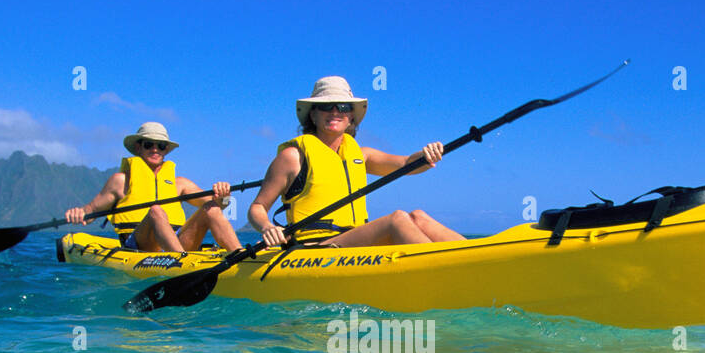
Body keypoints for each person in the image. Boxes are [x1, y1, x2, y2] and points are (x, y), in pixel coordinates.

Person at [248, 77, 465, 249]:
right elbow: (257, 207)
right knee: (396, 219)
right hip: (315, 247)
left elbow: (408, 164)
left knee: (417, 216)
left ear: (351, 117)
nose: (335, 111)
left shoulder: (362, 155)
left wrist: (428, 155)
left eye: (342, 107)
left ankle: (476, 253)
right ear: (313, 115)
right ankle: (443, 269)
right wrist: (267, 227)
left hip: (354, 242)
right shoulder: (293, 156)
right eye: (326, 106)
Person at [65, 122, 240, 252]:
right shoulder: (120, 181)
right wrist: (80, 213)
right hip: (140, 246)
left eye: (161, 146)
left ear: (165, 151)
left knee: (211, 209)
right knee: (156, 210)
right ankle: (180, 265)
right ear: (138, 147)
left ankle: (241, 256)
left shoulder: (180, 184)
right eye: (149, 144)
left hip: (177, 242)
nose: (155, 149)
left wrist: (224, 194)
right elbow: (90, 211)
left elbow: (220, 204)